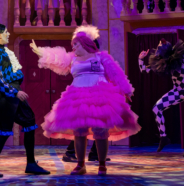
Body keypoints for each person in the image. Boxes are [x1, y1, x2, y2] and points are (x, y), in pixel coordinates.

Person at [31, 25, 140, 176]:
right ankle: (80, 165)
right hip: (78, 97)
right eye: (73, 44)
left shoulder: (101, 57)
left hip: (100, 96)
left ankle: (102, 165)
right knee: (79, 131)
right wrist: (41, 52)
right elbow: (57, 59)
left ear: (85, 43)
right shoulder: (72, 59)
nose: (73, 47)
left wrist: (126, 89)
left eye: (76, 44)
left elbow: (115, 74)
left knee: (101, 131)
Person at [0, 24, 50, 178]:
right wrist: (14, 91)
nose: (8, 34)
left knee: (29, 121)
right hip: (6, 93)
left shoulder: (4, 50)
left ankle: (31, 163)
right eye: (5, 32)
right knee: (6, 129)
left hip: (13, 89)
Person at [138, 39, 184, 161]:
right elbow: (144, 70)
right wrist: (140, 59)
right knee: (156, 108)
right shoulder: (164, 62)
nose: (158, 49)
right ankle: (163, 137)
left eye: (160, 47)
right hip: (178, 91)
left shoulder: (181, 57)